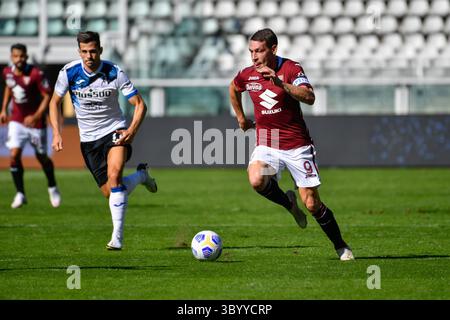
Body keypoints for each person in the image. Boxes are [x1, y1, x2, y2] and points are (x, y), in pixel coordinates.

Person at [229, 28, 354, 261]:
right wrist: (241, 118)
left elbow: (309, 97)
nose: (254, 56)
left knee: (312, 203)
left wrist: (280, 83)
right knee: (256, 179)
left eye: (259, 51)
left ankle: (340, 245)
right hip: (268, 142)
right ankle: (288, 203)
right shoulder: (248, 74)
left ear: (273, 49)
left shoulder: (291, 68)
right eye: (251, 51)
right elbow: (234, 88)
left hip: (297, 145)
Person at [49, 31, 157, 250]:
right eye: (85, 52)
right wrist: (57, 133)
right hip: (89, 140)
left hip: (114, 131)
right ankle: (141, 175)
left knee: (115, 176)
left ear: (100, 50)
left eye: (93, 51)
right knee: (111, 192)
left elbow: (140, 104)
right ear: (79, 51)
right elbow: (54, 102)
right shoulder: (68, 73)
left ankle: (117, 237)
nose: (89, 56)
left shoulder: (114, 72)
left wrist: (131, 132)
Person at [1, 43, 61, 209]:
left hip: (36, 123)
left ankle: (52, 186)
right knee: (14, 155)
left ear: (26, 57)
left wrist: (35, 116)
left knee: (41, 157)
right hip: (17, 120)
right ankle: (20, 193)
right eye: (15, 56)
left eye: (21, 56)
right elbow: (8, 87)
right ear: (12, 57)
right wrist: (4, 109)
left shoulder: (35, 74)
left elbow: (47, 96)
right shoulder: (7, 72)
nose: (19, 59)